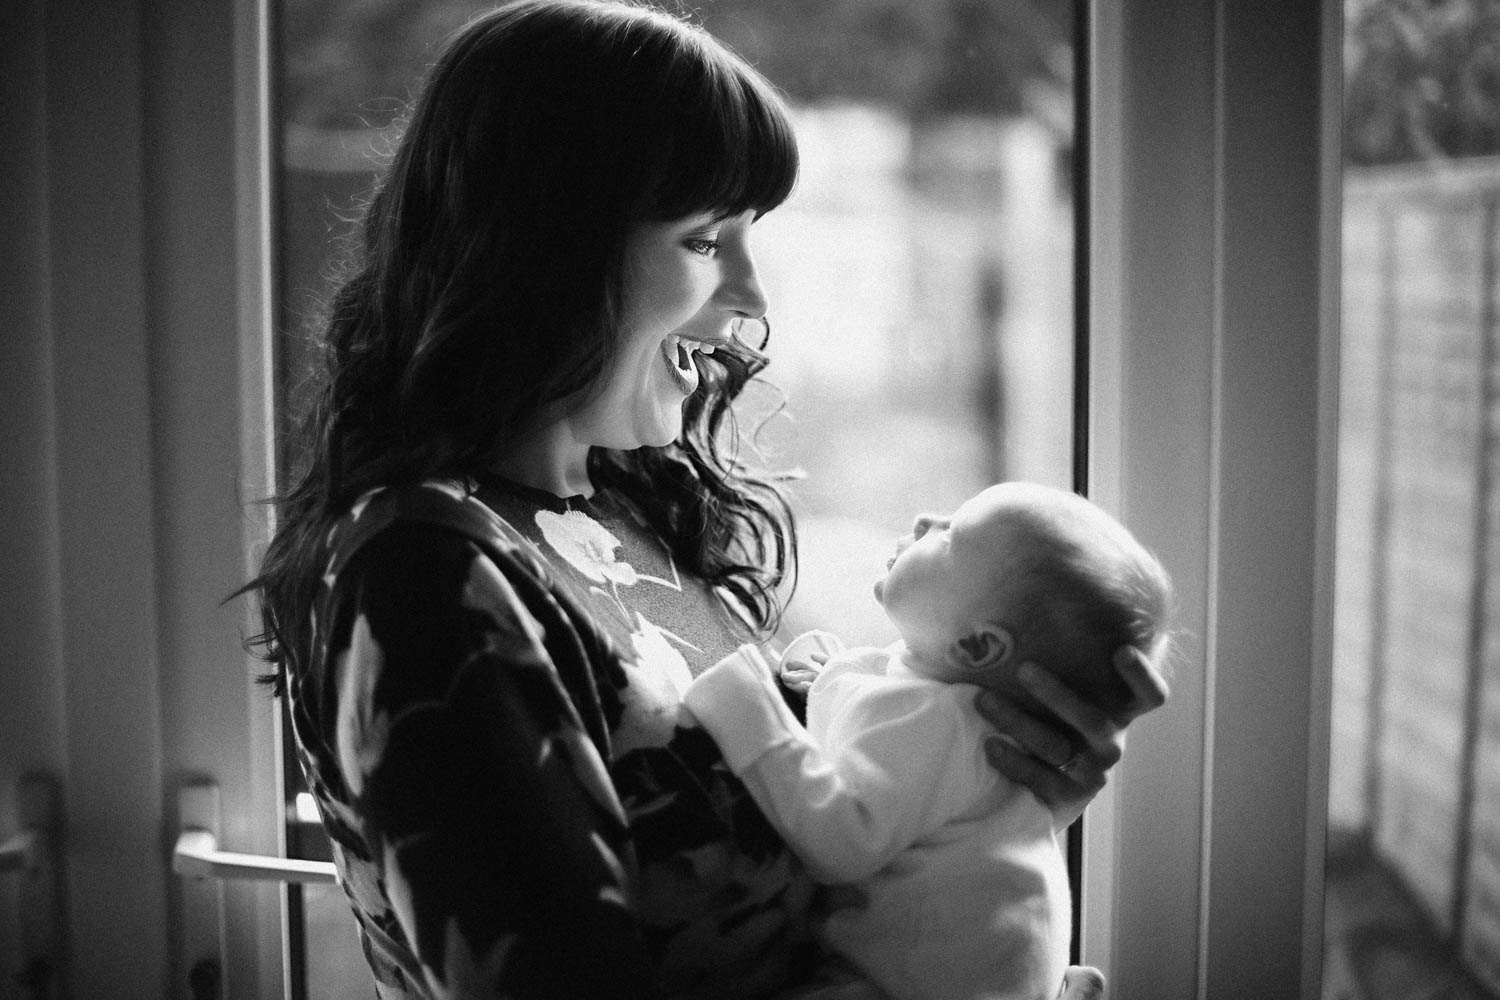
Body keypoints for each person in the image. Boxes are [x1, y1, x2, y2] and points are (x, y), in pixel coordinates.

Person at [246, 2, 1170, 998]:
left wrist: (986, 780)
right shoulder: (428, 578)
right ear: (545, 250)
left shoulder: (618, 507)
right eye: (703, 240)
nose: (754, 303)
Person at [682, 482, 1174, 1000]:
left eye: (950, 535)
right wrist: (832, 674)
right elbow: (880, 709)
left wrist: (743, 704)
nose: (924, 520)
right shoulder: (959, 716)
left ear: (978, 644)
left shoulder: (936, 722)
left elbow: (842, 839)